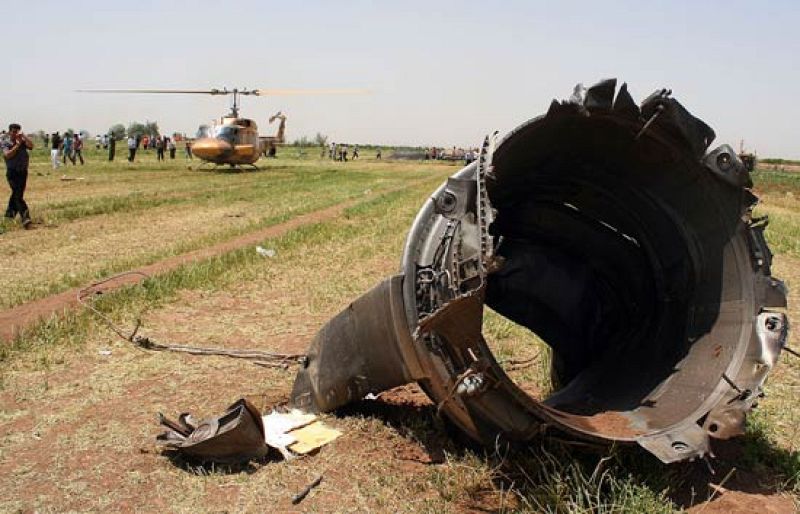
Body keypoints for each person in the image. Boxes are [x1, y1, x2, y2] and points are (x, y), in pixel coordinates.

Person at [1, 123, 33, 228]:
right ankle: (26, 218)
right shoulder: (5, 142)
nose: (15, 134)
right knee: (18, 195)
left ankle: (9, 215)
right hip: (12, 173)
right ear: (9, 132)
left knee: (16, 194)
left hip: (23, 172)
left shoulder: (22, 141)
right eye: (14, 132)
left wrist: (24, 137)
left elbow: (31, 146)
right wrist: (17, 145)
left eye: (17, 132)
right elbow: (7, 155)